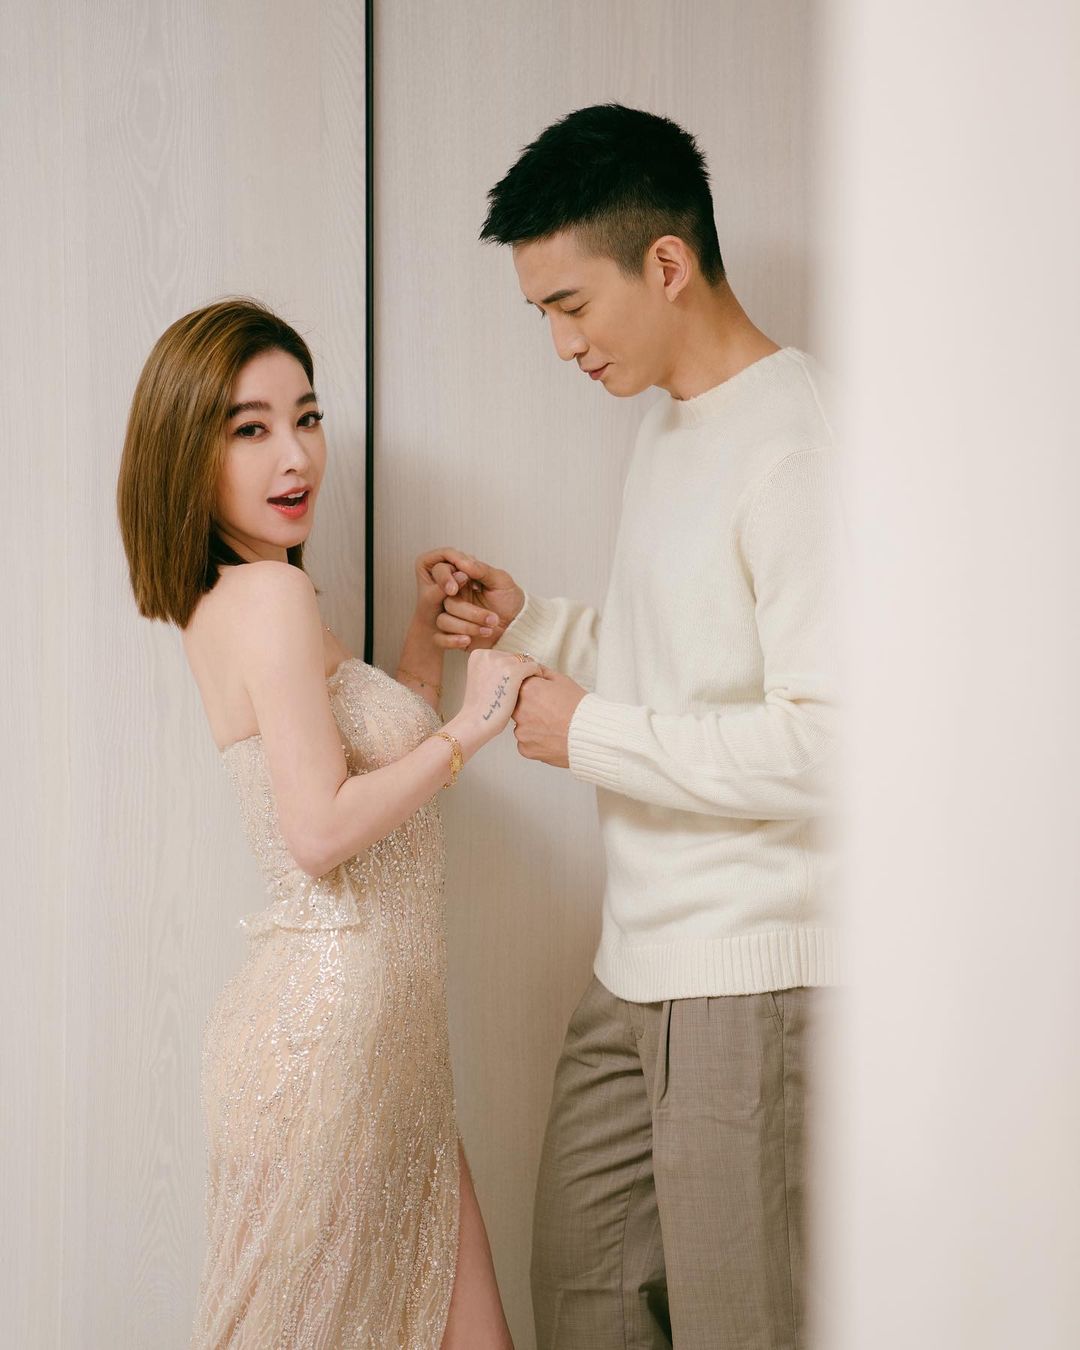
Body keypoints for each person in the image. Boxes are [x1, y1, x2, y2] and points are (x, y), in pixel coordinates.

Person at [433, 105, 843, 1350]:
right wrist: (538, 627)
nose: (562, 343)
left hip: (750, 977)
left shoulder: (805, 443)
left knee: (742, 1326)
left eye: (571, 305)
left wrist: (588, 734)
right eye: (542, 315)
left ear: (667, 262)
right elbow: (689, 665)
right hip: (636, 964)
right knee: (586, 1301)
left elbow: (831, 744)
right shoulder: (670, 420)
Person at [116, 298, 537, 1348]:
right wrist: (475, 726)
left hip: (380, 1038)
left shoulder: (248, 596)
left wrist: (422, 646)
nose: (295, 454)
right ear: (188, 451)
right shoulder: (269, 598)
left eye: (306, 417)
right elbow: (320, 831)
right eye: (250, 428)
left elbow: (361, 781)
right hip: (331, 1038)